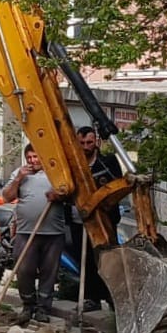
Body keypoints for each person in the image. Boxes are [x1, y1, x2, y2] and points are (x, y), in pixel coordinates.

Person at [0, 144, 68, 323]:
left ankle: (44, 309)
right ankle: (28, 305)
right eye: (29, 157)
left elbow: (71, 194)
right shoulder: (19, 174)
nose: (32, 161)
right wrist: (18, 179)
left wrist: (59, 196)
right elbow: (6, 196)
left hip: (53, 232)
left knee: (49, 272)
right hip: (25, 231)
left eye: (35, 157)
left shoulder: (56, 173)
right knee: (24, 269)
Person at [73, 125, 123, 312]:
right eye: (82, 143)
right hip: (81, 219)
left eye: (89, 142)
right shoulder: (74, 164)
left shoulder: (108, 162)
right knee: (85, 259)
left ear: (96, 143)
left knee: (108, 258)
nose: (86, 146)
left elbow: (117, 184)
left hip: (105, 219)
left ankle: (112, 297)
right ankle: (91, 297)